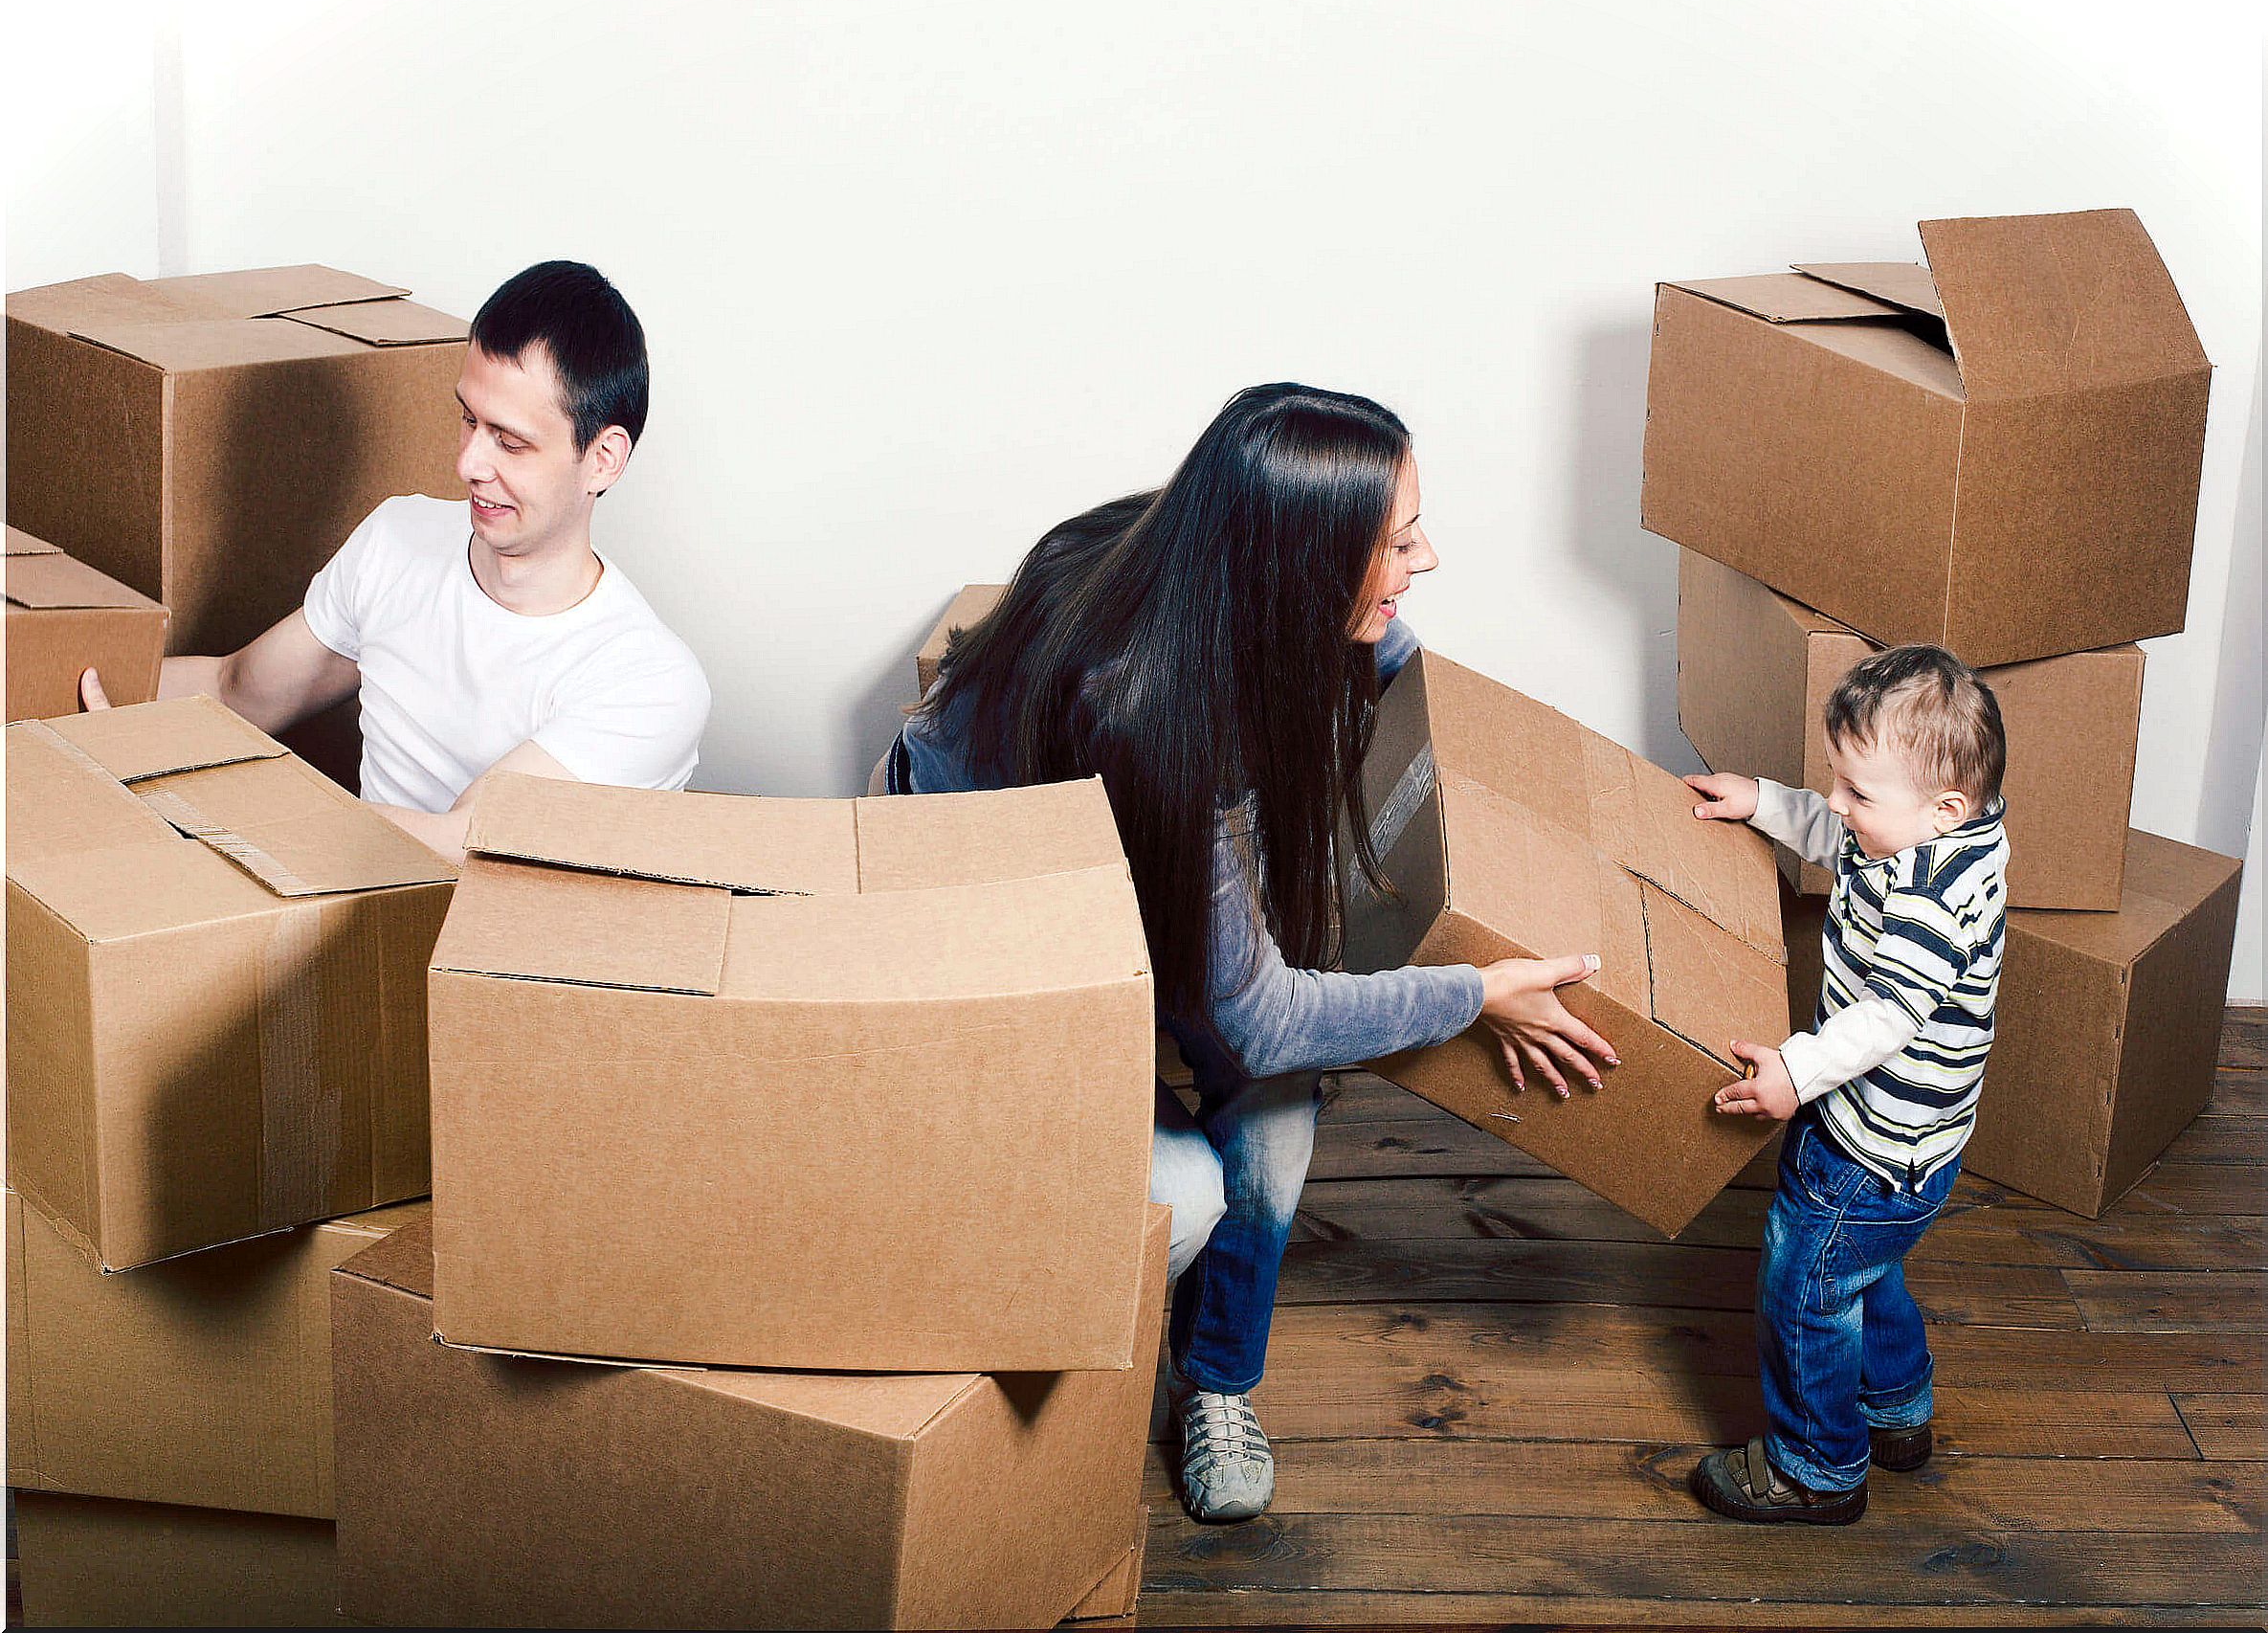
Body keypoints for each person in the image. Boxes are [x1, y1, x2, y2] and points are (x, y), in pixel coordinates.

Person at [882, 383, 1618, 1522]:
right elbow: (1264, 1011)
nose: (1426, 557)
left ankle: (1217, 1377)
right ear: (1303, 565)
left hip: (1130, 860)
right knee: (1191, 1182)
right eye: (1397, 540)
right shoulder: (1152, 714)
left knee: (1276, 1110)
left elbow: (1398, 663)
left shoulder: (1222, 557)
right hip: (995, 910)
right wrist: (1474, 993)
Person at [80, 260, 710, 861]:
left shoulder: (649, 683)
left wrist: (187, 797)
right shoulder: (397, 540)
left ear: (603, 459)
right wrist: (73, 698)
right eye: (468, 420)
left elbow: (459, 846)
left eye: (510, 442)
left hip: (472, 953)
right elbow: (235, 687)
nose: (468, 464)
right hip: (343, 913)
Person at [1683, 644, 2009, 1524]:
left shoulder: (1933, 901)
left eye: (1856, 791)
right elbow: (1838, 835)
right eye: (1835, 779)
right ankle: (1895, 1412)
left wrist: (1796, 1068)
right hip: (1915, 1143)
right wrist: (1763, 800)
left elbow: (1888, 1016)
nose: (1837, 803)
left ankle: (1818, 1465)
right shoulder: (1922, 831)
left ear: (1943, 809)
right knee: (1867, 1267)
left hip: (1871, 1143)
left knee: (1807, 1285)